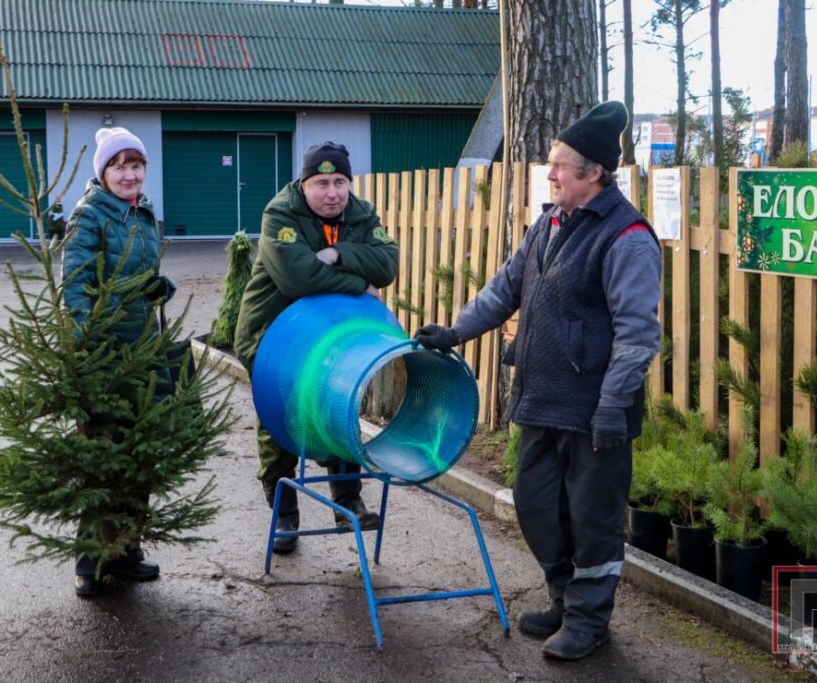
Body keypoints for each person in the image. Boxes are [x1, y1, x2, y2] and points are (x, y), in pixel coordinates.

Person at [415, 102, 661, 660]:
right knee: (536, 504)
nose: (550, 174)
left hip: (595, 411)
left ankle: (588, 621)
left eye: (560, 166)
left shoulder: (627, 238)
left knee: (593, 519)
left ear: (594, 173)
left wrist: (611, 406)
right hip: (543, 400)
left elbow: (637, 335)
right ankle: (563, 598)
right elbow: (505, 289)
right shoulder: (548, 225)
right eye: (551, 164)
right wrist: (456, 332)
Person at [234, 141, 399, 554]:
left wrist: (339, 252)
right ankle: (284, 512)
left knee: (339, 408)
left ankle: (348, 501)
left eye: (340, 182)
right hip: (271, 333)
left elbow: (388, 265)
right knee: (281, 418)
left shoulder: (360, 213)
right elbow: (298, 279)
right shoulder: (281, 214)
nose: (332, 193)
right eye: (321, 183)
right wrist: (359, 283)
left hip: (329, 338)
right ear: (304, 184)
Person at [62, 126, 176, 597]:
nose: (130, 175)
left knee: (139, 453)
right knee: (104, 459)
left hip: (143, 350)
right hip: (106, 353)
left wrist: (155, 288)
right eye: (120, 166)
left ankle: (125, 551)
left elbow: (135, 275)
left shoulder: (143, 213)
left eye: (137, 165)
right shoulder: (90, 216)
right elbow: (76, 286)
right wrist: (88, 347)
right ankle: (90, 562)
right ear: (104, 173)